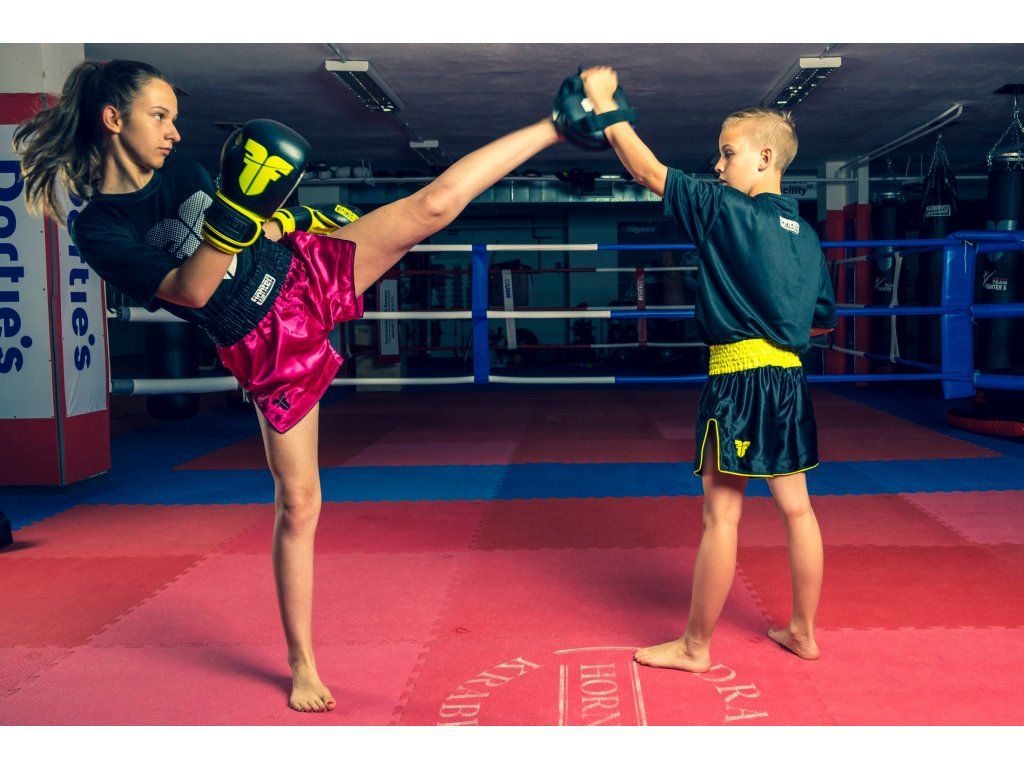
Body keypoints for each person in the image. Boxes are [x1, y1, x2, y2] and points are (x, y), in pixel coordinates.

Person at [14, 59, 563, 712]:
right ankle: (302, 661)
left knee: (432, 205)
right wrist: (240, 209)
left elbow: (257, 234)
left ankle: (558, 124)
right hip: (263, 340)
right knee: (300, 503)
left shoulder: (186, 172)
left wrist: (293, 220)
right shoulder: (101, 228)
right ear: (113, 120)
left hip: (300, 271)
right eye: (159, 117)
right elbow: (193, 289)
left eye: (173, 119)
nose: (173, 132)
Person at [575, 66, 837, 672]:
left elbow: (646, 171)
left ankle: (695, 647)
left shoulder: (725, 209)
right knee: (799, 509)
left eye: (728, 153)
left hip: (739, 383)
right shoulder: (806, 236)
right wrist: (774, 316)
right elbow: (821, 320)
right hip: (790, 382)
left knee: (721, 515)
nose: (718, 166)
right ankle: (803, 632)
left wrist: (605, 102)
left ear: (766, 157)